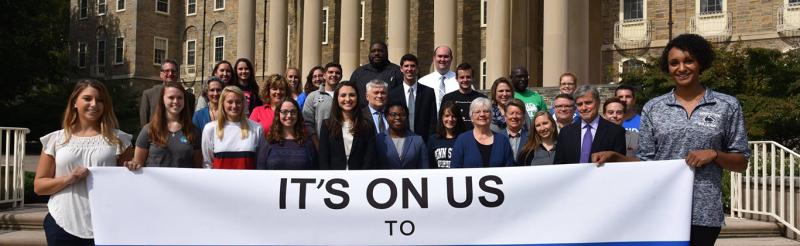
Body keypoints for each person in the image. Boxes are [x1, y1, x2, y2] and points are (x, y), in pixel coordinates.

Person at [593, 34, 750, 245]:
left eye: (689, 61)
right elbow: (647, 162)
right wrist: (616, 157)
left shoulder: (726, 105)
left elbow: (741, 163)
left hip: (704, 212)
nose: (681, 68)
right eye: (674, 63)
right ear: (667, 68)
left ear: (700, 63)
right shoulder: (654, 108)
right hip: (661, 208)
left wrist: (714, 154)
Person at [35, 79, 132, 245]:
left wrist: (133, 168)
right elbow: (39, 186)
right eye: (87, 98)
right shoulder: (56, 139)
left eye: (100, 100)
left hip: (107, 224)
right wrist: (69, 178)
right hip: (61, 224)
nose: (94, 104)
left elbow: (130, 184)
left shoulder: (119, 140)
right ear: (74, 103)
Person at [128, 82, 202, 169]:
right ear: (162, 99)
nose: (176, 101)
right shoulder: (149, 130)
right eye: (171, 97)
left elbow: (197, 167)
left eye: (180, 98)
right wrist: (132, 165)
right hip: (154, 182)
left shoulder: (194, 131)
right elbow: (138, 164)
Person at [553, 85, 626, 164]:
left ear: (598, 102)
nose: (584, 108)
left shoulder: (616, 132)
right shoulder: (565, 132)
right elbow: (558, 165)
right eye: (580, 104)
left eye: (588, 103)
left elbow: (619, 165)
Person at [318, 81, 378, 170]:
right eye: (343, 95)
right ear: (337, 98)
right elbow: (323, 159)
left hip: (360, 179)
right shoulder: (327, 125)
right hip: (334, 180)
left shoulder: (367, 126)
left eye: (352, 95)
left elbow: (369, 158)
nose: (348, 99)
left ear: (357, 98)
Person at [201, 86, 264, 169]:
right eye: (230, 102)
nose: (234, 106)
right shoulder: (210, 129)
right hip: (219, 181)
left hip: (247, 181)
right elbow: (207, 164)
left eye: (238, 102)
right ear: (222, 103)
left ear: (243, 104)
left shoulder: (256, 128)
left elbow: (260, 163)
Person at [450, 98, 514, 168]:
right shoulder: (462, 140)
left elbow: (509, 170)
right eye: (477, 112)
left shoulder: (503, 141)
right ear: (471, 116)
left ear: (491, 115)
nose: (482, 114)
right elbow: (455, 170)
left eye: (486, 111)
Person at [256, 98, 318, 170]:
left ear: (298, 114)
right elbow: (260, 169)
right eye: (284, 112)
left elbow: (314, 170)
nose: (289, 116)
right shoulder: (268, 140)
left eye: (293, 112)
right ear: (278, 114)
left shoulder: (307, 142)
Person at [389, 54, 437, 143]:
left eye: (413, 66)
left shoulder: (428, 93)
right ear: (401, 69)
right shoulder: (393, 94)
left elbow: (432, 121)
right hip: (399, 141)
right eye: (406, 66)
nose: (409, 69)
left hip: (423, 142)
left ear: (417, 69)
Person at [140, 59, 196, 126]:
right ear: (161, 74)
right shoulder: (149, 95)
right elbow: (144, 123)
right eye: (167, 71)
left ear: (178, 74)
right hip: (155, 135)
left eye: (173, 71)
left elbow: (189, 122)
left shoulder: (189, 97)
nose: (170, 74)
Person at [350, 41, 404, 106]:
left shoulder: (397, 72)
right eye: (373, 51)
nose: (376, 53)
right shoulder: (358, 73)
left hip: (389, 114)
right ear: (369, 54)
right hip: (363, 115)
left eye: (380, 51)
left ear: (387, 53)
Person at [376, 102, 428, 169]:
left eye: (402, 115)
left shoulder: (418, 140)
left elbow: (424, 168)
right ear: (386, 117)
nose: (398, 117)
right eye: (393, 114)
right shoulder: (378, 140)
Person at [441, 63, 487, 129]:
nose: (465, 80)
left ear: (473, 78)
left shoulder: (482, 99)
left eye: (468, 77)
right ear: (456, 79)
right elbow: (442, 120)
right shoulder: (448, 98)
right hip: (454, 137)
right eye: (462, 77)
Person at [303, 63, 342, 135]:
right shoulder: (312, 96)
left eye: (337, 73)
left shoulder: (344, 96)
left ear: (341, 76)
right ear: (324, 75)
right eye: (330, 72)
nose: (334, 75)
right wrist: (316, 143)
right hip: (319, 141)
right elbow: (307, 123)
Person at [418, 45, 459, 111]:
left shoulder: (461, 82)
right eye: (440, 56)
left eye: (446, 56)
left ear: (451, 58)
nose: (442, 59)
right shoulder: (423, 82)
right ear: (434, 58)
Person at [427, 101, 467, 168]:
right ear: (441, 117)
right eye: (447, 116)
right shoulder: (433, 140)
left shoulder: (464, 139)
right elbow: (429, 165)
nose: (450, 119)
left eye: (453, 116)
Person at [494, 99, 528, 164]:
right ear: (505, 116)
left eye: (518, 113)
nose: (514, 116)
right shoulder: (496, 137)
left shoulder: (531, 137)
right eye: (511, 113)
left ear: (523, 117)